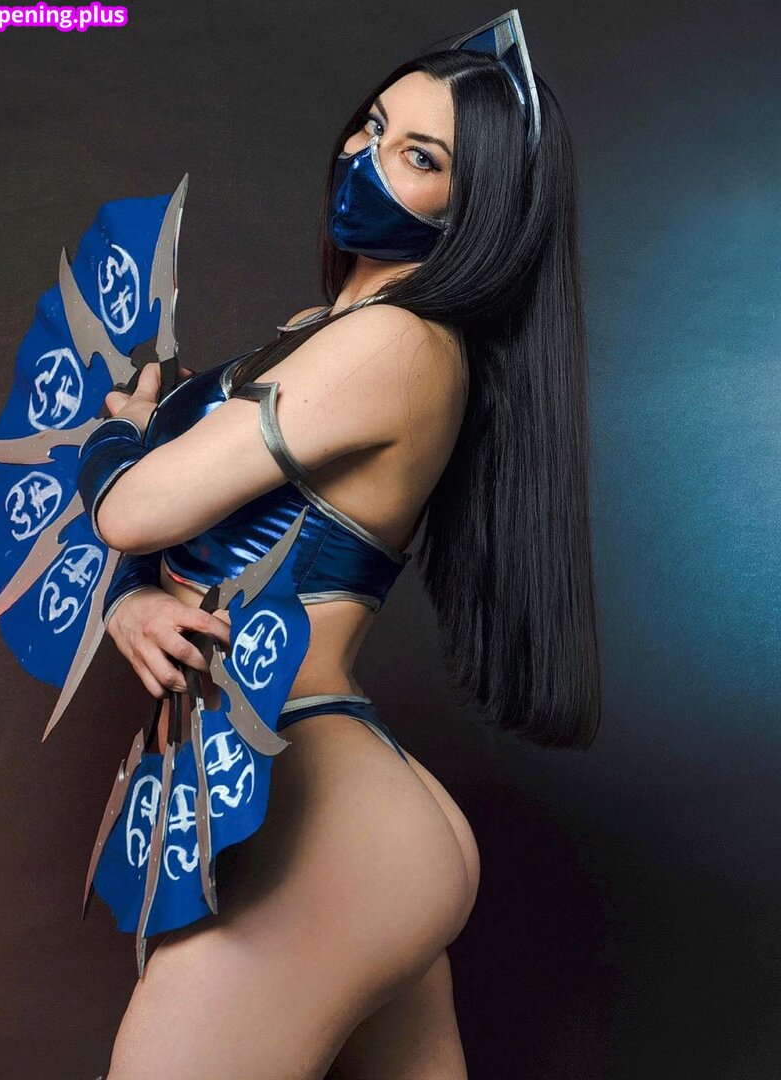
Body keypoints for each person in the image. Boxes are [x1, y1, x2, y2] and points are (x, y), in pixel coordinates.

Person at [82, 25, 601, 1080]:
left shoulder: (395, 342)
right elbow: (176, 541)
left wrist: (112, 443)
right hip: (339, 811)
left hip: (323, 818)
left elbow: (133, 510)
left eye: (420, 156)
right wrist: (133, 601)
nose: (365, 157)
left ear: (474, 211)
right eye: (373, 126)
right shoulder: (321, 328)